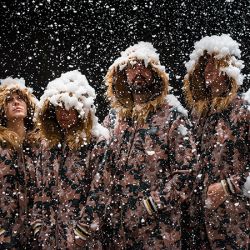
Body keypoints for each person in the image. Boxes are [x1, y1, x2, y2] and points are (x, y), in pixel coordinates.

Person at [74, 41, 197, 249]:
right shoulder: (113, 119)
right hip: (116, 234)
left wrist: (151, 205)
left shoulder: (173, 116)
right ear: (122, 75)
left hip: (158, 233)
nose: (137, 71)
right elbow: (100, 171)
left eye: (144, 66)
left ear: (155, 73)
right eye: (131, 67)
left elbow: (188, 172)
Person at [183, 34, 250, 249]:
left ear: (228, 69)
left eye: (215, 65)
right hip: (199, 224)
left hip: (237, 222)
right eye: (205, 66)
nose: (209, 71)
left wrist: (228, 186)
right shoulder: (196, 116)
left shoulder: (244, 111)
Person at [31, 70, 109, 249]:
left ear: (81, 109)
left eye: (69, 107)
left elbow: (100, 191)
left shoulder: (97, 141)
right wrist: (38, 225)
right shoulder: (48, 144)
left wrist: (82, 233)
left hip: (84, 239)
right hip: (50, 237)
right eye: (59, 107)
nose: (63, 113)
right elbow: (40, 187)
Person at [0, 78, 37, 249]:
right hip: (6, 232)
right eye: (9, 100)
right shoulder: (1, 145)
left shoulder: (38, 144)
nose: (16, 102)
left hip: (37, 231)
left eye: (20, 99)